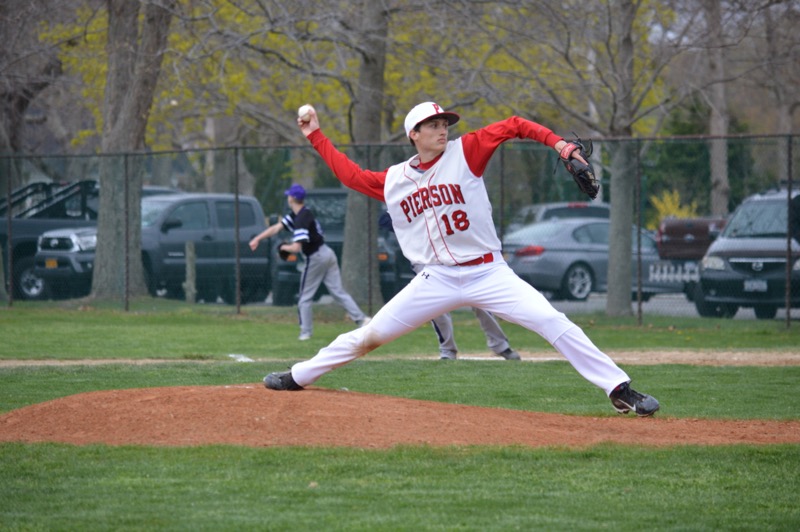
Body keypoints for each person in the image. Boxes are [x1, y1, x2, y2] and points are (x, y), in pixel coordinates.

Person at [264, 102, 660, 416]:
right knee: (369, 336)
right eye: (433, 124)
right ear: (413, 134)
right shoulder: (396, 179)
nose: (443, 128)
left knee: (552, 321)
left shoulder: (466, 151)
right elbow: (350, 176)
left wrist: (560, 144)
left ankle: (619, 389)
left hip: (488, 272)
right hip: (435, 278)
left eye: (445, 122)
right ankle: (298, 376)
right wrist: (315, 135)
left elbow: (516, 124)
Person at [380, 211, 520, 361]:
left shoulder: (443, 195)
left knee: (478, 299)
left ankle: (500, 345)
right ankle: (447, 351)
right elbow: (383, 220)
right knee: (435, 306)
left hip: (453, 252)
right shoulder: (407, 197)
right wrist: (411, 225)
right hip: (425, 258)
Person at [249, 184, 370, 341]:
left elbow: (297, 247)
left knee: (305, 298)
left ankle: (305, 332)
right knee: (338, 292)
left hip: (316, 257)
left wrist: (282, 248)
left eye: (289, 195)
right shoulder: (300, 214)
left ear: (292, 198)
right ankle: (362, 320)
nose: (288, 197)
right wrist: (258, 238)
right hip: (327, 253)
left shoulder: (300, 219)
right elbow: (277, 228)